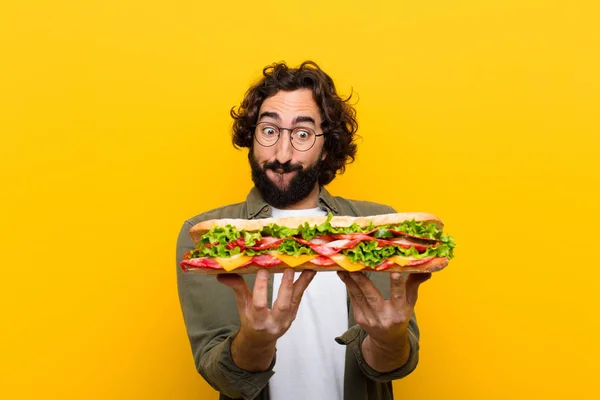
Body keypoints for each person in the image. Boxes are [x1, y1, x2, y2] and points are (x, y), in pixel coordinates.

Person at [176, 61, 431, 400]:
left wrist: (390, 338)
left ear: (326, 145)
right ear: (251, 137)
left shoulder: (378, 230)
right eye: (269, 130)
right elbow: (224, 378)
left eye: (302, 134)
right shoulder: (205, 237)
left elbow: (390, 365)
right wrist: (256, 340)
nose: (282, 153)